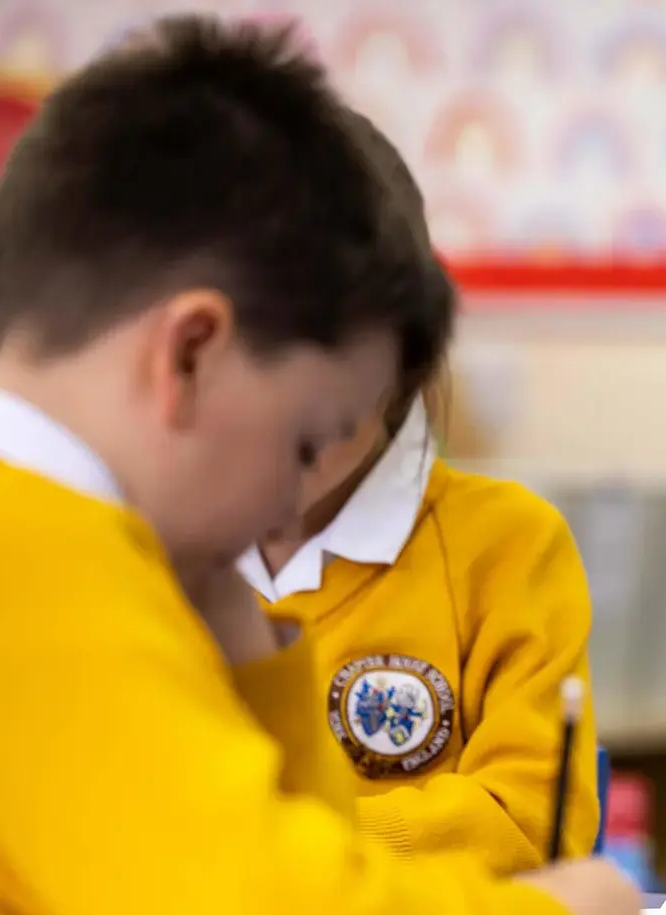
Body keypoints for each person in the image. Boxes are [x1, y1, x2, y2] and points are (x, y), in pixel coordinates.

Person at [0, 15, 645, 915]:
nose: (283, 508)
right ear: (189, 355)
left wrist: (235, 626)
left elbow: (278, 863)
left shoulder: (38, 533)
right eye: (306, 440)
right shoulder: (8, 547)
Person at [237, 159, 598, 869]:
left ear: (405, 357)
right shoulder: (148, 539)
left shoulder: (505, 544)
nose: (283, 424)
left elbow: (529, 821)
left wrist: (285, 848)